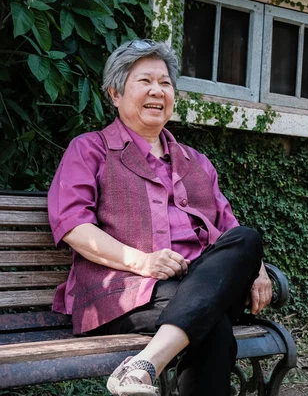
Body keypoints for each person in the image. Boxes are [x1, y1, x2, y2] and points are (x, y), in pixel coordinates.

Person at [48, 39, 272, 396]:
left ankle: (145, 364)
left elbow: (230, 230)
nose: (157, 91)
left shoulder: (196, 161)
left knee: (247, 238)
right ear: (115, 94)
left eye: (165, 83)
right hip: (125, 292)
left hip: (203, 285)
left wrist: (257, 269)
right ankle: (145, 364)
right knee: (210, 326)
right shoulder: (90, 149)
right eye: (145, 81)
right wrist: (144, 262)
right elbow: (74, 226)